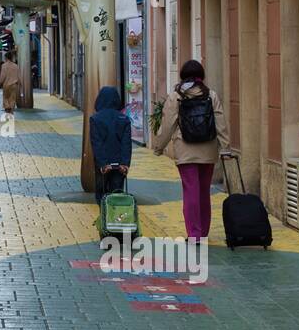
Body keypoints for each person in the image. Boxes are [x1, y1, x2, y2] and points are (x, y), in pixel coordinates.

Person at [151, 59, 231, 242]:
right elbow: (220, 122)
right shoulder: (211, 95)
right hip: (208, 149)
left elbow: (168, 124)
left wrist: (158, 147)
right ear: (201, 76)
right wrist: (225, 147)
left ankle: (194, 234)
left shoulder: (176, 96)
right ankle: (203, 232)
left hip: (185, 150)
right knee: (204, 192)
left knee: (190, 192)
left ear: (183, 76)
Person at [90, 85, 132, 201]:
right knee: (117, 194)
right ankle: (116, 218)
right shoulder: (124, 119)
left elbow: (97, 143)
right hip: (119, 163)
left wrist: (103, 163)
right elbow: (126, 143)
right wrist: (125, 163)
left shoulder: (95, 119)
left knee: (102, 194)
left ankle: (104, 216)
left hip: (103, 164)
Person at [0, 50, 23, 117]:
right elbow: (19, 75)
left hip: (6, 85)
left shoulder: (4, 66)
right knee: (12, 98)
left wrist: (0, 83)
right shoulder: (16, 66)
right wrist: (20, 83)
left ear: (6, 58)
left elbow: (3, 76)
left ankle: (7, 107)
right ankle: (11, 112)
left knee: (5, 97)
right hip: (14, 84)